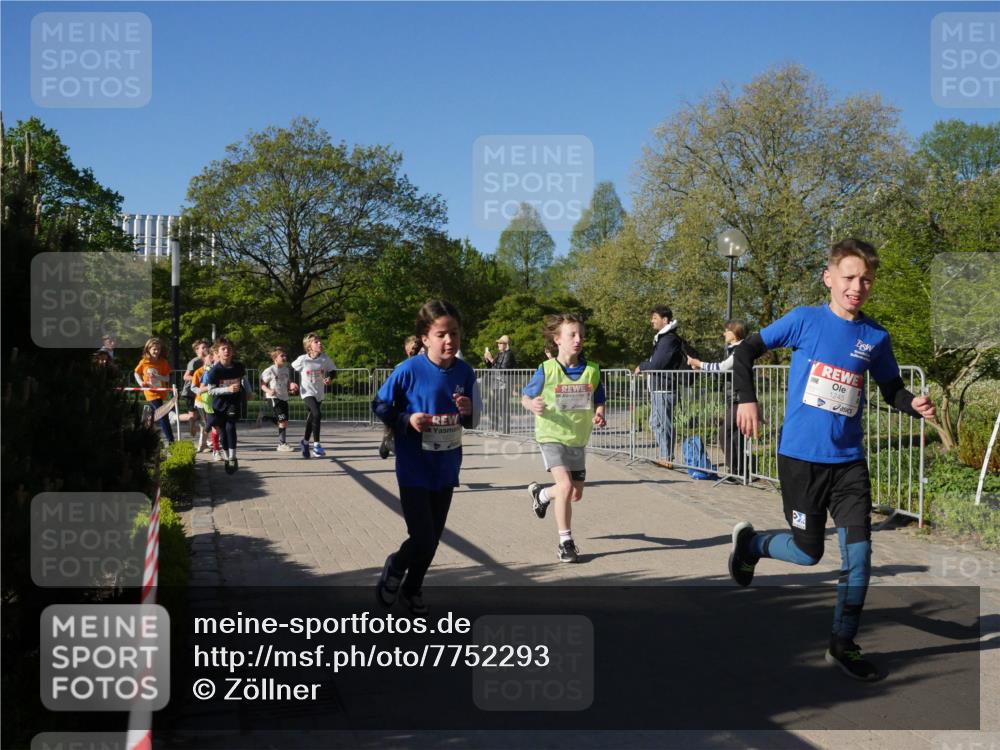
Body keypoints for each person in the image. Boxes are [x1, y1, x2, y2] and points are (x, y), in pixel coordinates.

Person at [728, 239, 936, 681]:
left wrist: (910, 403)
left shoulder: (876, 337)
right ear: (829, 278)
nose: (856, 287)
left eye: (865, 280)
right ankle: (751, 545)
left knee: (859, 555)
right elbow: (744, 351)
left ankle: (843, 645)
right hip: (801, 459)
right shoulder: (804, 320)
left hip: (849, 463)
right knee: (808, 553)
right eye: (849, 277)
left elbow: (891, 388)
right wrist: (746, 400)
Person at [373, 300, 480, 615]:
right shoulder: (408, 370)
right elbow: (379, 405)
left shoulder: (465, 371)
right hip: (414, 468)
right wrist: (407, 419)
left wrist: (470, 412)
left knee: (432, 539)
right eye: (442, 334)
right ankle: (395, 567)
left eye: (455, 334)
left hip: (446, 468)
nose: (450, 341)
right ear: (424, 338)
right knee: (421, 537)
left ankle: (412, 588)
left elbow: (473, 421)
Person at [523, 313, 607, 563]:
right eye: (572, 335)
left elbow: (599, 397)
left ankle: (541, 495)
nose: (578, 339)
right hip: (550, 435)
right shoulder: (546, 369)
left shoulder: (592, 370)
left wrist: (600, 412)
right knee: (566, 486)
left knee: (573, 494)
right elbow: (525, 396)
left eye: (581, 334)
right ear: (557, 339)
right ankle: (565, 542)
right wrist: (532, 404)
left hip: (577, 438)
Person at [687, 320, 752, 477]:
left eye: (727, 331)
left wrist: (699, 363)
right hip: (736, 398)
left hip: (740, 399)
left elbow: (722, 367)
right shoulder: (736, 349)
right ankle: (740, 471)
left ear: (735, 333)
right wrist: (701, 369)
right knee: (735, 435)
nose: (724, 333)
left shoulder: (740, 350)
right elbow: (723, 369)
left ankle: (737, 471)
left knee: (725, 434)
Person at [634, 305, 685, 468]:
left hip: (665, 387)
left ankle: (667, 458)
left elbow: (658, 364)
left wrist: (642, 366)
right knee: (655, 422)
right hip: (659, 387)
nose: (652, 321)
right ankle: (665, 455)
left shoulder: (669, 339)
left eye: (655, 318)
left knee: (663, 423)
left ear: (665, 320)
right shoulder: (663, 338)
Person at [203, 336, 254, 475]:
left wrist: (249, 391)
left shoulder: (238, 366)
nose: (227, 351)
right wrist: (227, 389)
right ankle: (226, 456)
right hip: (219, 404)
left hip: (234, 402)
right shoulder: (215, 371)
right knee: (223, 432)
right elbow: (211, 390)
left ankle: (232, 457)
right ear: (217, 353)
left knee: (231, 426)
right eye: (223, 349)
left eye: (229, 349)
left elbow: (244, 379)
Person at [291, 334, 337, 459]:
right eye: (316, 342)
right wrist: (291, 382)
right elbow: (291, 369)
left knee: (312, 418)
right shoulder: (303, 359)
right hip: (307, 392)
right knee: (317, 414)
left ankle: (305, 442)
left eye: (320, 341)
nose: (320, 344)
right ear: (309, 346)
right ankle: (317, 446)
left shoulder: (324, 359)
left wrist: (329, 378)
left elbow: (333, 370)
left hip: (319, 393)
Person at [379, 336, 423, 460]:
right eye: (413, 347)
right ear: (407, 349)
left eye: (418, 347)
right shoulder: (401, 367)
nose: (416, 350)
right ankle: (389, 443)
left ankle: (387, 443)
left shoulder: (424, 365)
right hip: (403, 405)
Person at [133, 337, 174, 444]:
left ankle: (144, 436)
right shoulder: (144, 361)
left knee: (151, 417)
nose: (156, 352)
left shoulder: (163, 362)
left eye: (158, 349)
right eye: (154, 349)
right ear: (148, 349)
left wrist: (158, 376)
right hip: (150, 392)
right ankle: (171, 442)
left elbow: (167, 378)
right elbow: (136, 373)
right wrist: (141, 383)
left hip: (161, 391)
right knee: (163, 415)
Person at [260, 346, 299, 452]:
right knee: (282, 421)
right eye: (282, 356)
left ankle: (266, 418)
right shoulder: (270, 370)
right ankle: (282, 444)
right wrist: (268, 391)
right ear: (275, 358)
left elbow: (287, 383)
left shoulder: (286, 370)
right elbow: (262, 385)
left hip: (284, 397)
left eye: (285, 355)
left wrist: (291, 387)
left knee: (285, 421)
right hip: (274, 398)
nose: (284, 357)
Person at [191, 350, 221, 459]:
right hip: (203, 402)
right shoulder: (202, 371)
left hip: (219, 401)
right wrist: (209, 388)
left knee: (215, 425)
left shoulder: (224, 369)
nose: (213, 359)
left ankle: (215, 448)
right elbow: (195, 388)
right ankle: (207, 446)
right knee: (210, 425)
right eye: (211, 357)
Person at [484, 334, 517, 434]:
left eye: (501, 343)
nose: (498, 344)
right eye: (498, 343)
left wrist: (491, 359)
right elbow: (492, 367)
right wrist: (487, 360)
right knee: (492, 406)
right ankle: (494, 428)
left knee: (504, 407)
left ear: (506, 345)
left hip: (504, 384)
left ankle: (506, 431)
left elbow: (503, 369)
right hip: (495, 383)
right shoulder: (499, 354)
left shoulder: (509, 354)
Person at [183, 339, 211, 441]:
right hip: (190, 391)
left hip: (202, 391)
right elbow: (185, 376)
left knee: (205, 417)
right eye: (202, 348)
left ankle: (206, 441)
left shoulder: (209, 360)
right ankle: (176, 418)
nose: (204, 350)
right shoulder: (194, 362)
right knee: (193, 416)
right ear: (196, 350)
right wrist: (198, 379)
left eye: (206, 347)